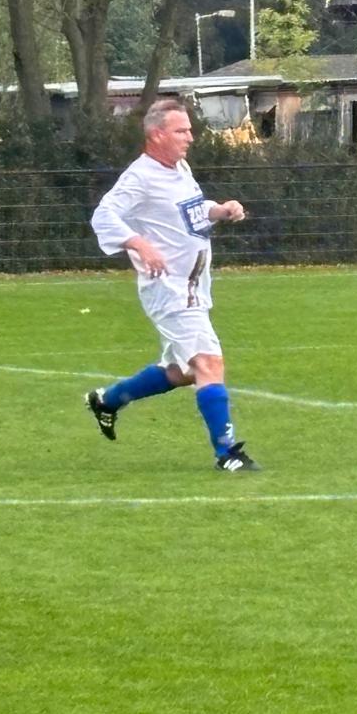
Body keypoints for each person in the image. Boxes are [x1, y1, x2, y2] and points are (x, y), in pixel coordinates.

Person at [85, 98, 260, 473]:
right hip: (169, 288)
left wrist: (220, 210)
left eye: (189, 130)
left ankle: (107, 401)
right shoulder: (139, 177)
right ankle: (227, 453)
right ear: (156, 135)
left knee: (183, 372)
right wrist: (138, 243)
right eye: (181, 131)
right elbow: (104, 215)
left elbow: (191, 211)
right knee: (209, 363)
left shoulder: (179, 168)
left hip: (194, 286)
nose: (190, 137)